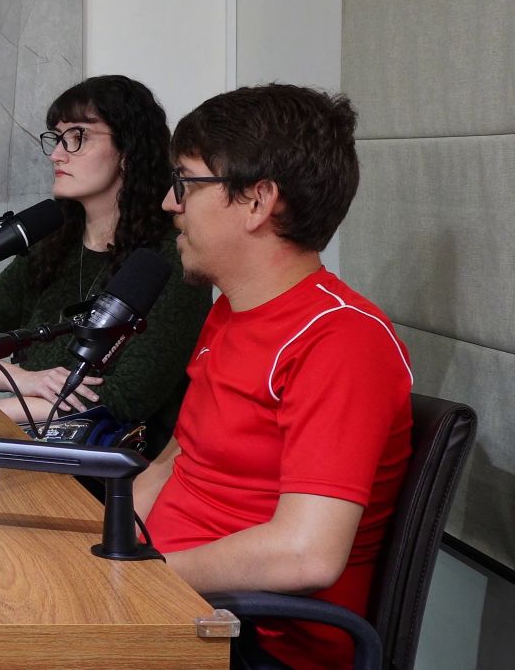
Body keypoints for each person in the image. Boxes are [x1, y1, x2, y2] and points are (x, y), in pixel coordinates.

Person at [134, 84, 413, 669]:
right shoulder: (230, 311)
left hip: (250, 640)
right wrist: (98, 546)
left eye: (185, 182)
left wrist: (142, 577)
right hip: (176, 605)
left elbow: (306, 554)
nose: (168, 202)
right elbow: (174, 462)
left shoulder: (341, 341)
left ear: (258, 202)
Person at [0, 76, 212, 456]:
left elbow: (123, 400)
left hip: (108, 467)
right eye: (57, 137)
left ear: (128, 151)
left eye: (78, 136)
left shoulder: (169, 260)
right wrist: (22, 379)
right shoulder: (54, 246)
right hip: (23, 445)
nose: (56, 155)